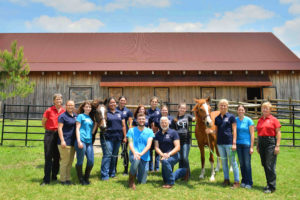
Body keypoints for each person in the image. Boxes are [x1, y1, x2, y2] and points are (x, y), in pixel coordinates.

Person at [210, 99, 240, 188]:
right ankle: (226, 179)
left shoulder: (231, 117)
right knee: (224, 162)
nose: (223, 107)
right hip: (220, 143)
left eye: (224, 105)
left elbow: (234, 130)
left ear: (227, 106)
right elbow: (216, 131)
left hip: (229, 142)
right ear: (219, 106)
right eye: (221, 105)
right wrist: (210, 131)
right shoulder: (217, 118)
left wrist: (234, 143)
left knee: (233, 162)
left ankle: (236, 181)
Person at [154, 117, 188, 189]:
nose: (164, 124)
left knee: (165, 161)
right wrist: (162, 154)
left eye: (165, 122)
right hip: (163, 156)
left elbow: (178, 147)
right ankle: (184, 171)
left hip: (174, 155)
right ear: (160, 124)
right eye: (162, 122)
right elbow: (156, 147)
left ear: (168, 123)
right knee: (165, 179)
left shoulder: (173, 132)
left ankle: (170, 183)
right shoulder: (157, 134)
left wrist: (168, 154)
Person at [41, 93, 65, 186]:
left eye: (60, 99)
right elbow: (43, 122)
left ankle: (54, 176)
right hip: (50, 134)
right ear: (54, 101)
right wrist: (49, 130)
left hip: (59, 135)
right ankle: (46, 179)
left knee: (57, 157)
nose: (59, 101)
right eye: (57, 99)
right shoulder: (49, 110)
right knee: (48, 157)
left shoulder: (63, 111)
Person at [257, 102, 281, 193]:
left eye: (267, 108)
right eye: (263, 108)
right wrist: (258, 145)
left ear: (270, 110)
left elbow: (278, 133)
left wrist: (277, 146)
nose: (265, 110)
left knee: (269, 164)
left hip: (270, 142)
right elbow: (259, 134)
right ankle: (268, 184)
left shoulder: (274, 120)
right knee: (264, 164)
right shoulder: (260, 120)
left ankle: (272, 187)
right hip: (261, 142)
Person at [100, 97, 127, 180]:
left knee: (114, 156)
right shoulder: (105, 113)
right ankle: (105, 175)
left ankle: (112, 173)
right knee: (107, 155)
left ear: (116, 103)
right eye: (111, 103)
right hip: (107, 137)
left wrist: (125, 136)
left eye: (114, 102)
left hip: (118, 137)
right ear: (108, 104)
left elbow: (123, 126)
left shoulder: (120, 113)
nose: (113, 104)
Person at [127, 113, 154, 190]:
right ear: (137, 120)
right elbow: (130, 143)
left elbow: (149, 145)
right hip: (134, 154)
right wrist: (135, 153)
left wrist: (141, 153)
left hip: (145, 156)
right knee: (136, 160)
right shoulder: (131, 130)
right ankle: (131, 180)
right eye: (140, 119)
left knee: (142, 182)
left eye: (143, 119)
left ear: (145, 120)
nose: (141, 120)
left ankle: (137, 175)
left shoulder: (149, 131)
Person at [75, 101, 97, 185]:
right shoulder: (80, 116)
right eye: (87, 107)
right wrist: (79, 141)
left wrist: (96, 124)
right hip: (82, 140)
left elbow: (92, 132)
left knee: (91, 161)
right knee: (80, 160)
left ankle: (86, 178)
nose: (88, 108)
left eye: (90, 107)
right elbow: (77, 128)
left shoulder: (91, 118)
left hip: (89, 141)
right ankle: (81, 179)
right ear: (83, 107)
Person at [170, 103, 194, 179]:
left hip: (186, 140)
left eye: (184, 108)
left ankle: (187, 174)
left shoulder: (188, 116)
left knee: (185, 157)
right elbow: (173, 131)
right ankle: (181, 174)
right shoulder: (175, 119)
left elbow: (195, 119)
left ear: (185, 109)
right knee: (180, 158)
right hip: (178, 141)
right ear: (178, 109)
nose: (182, 109)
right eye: (181, 108)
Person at [57, 100, 77, 185]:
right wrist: (62, 140)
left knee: (70, 161)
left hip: (73, 142)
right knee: (65, 161)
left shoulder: (76, 116)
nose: (70, 107)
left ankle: (68, 179)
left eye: (72, 105)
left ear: (74, 106)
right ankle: (62, 180)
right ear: (66, 106)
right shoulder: (62, 116)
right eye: (69, 105)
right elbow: (60, 128)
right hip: (65, 141)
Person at [236, 104, 255, 189]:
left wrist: (251, 146)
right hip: (238, 145)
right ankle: (243, 180)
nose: (240, 111)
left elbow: (252, 134)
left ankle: (249, 182)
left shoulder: (249, 120)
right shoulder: (235, 120)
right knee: (242, 164)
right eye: (239, 110)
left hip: (247, 145)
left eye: (242, 110)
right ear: (237, 111)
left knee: (247, 164)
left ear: (244, 111)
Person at [117, 96, 133, 175]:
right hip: (116, 133)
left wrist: (127, 135)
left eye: (124, 100)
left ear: (126, 102)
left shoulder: (128, 111)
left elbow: (130, 124)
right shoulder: (115, 109)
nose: (122, 102)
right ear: (118, 101)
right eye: (121, 100)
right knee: (115, 151)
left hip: (125, 133)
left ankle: (126, 169)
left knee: (124, 151)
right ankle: (113, 169)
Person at [147, 96, 161, 172]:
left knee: (157, 150)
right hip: (149, 132)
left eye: (156, 102)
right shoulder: (147, 111)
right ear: (150, 102)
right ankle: (150, 167)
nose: (154, 103)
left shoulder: (159, 111)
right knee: (150, 150)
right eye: (153, 102)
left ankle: (157, 167)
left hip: (157, 132)